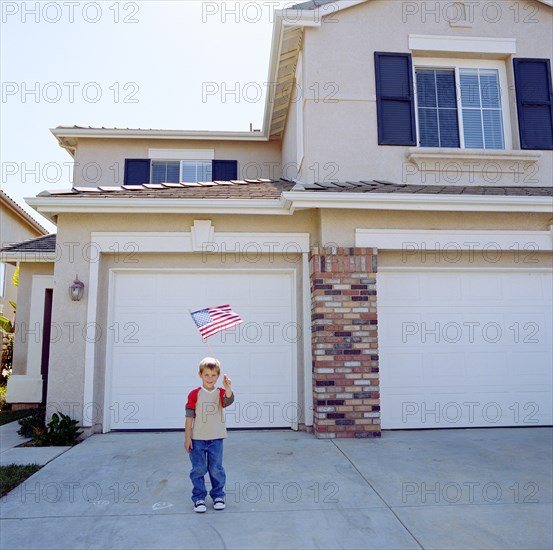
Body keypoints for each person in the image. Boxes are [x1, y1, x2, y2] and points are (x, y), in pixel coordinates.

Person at [184, 357, 234, 513]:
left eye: (213, 375)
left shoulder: (220, 393)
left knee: (216, 468)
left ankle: (218, 495)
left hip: (216, 438)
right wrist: (187, 438)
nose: (210, 378)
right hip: (197, 438)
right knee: (198, 469)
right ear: (200, 375)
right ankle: (199, 497)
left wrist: (228, 387)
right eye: (207, 375)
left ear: (218, 376)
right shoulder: (194, 394)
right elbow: (189, 416)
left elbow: (228, 401)